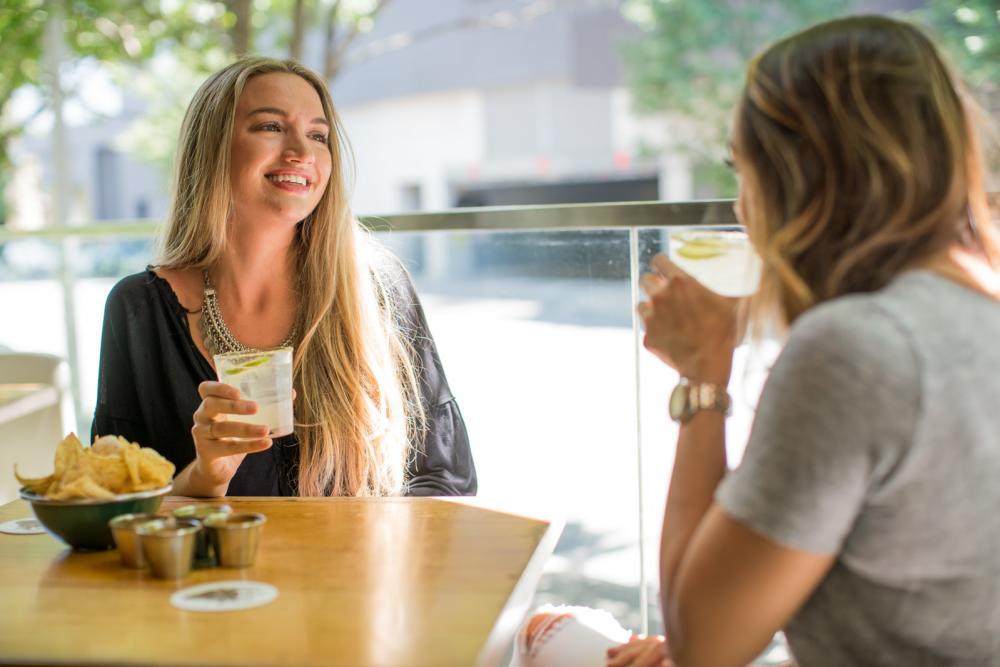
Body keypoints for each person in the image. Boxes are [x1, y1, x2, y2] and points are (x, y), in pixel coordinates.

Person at [515, 14, 1000, 667]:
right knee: (554, 625)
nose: (743, 208)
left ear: (799, 178)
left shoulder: (854, 348)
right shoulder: (973, 301)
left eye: (743, 173)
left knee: (543, 637)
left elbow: (704, 646)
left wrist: (702, 378)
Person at [93, 58, 476, 498]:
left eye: (317, 135)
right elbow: (114, 506)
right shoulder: (138, 309)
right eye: (271, 127)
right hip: (214, 569)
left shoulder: (377, 288)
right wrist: (207, 475)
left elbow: (446, 481)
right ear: (211, 147)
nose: (302, 152)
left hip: (357, 566)